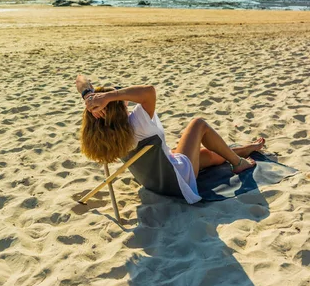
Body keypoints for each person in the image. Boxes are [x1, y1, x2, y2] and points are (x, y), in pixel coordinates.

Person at [76, 75, 264, 204]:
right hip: (177, 178)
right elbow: (149, 91)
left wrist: (87, 95)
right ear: (116, 106)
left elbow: (80, 80)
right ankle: (238, 163)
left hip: (154, 181)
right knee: (198, 124)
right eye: (120, 96)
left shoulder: (106, 134)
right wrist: (111, 95)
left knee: (208, 155)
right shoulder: (137, 123)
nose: (123, 94)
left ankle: (246, 149)